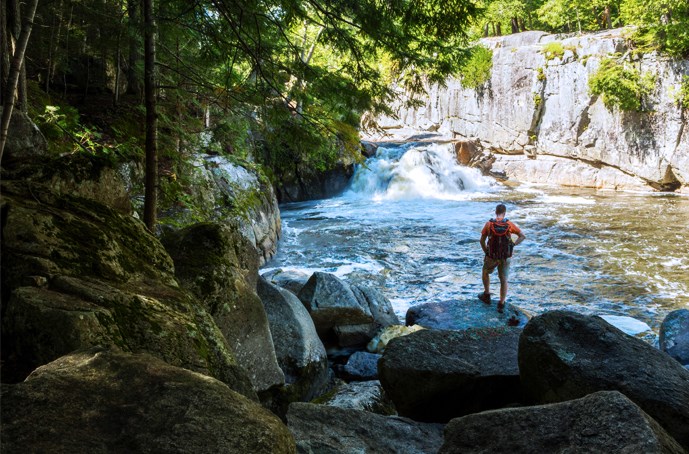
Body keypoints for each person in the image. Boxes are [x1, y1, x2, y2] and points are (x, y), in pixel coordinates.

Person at [479, 203, 525, 313]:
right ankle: (501, 303)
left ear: (495, 212)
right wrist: (513, 244)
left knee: (485, 272)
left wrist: (487, 252)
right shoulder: (509, 224)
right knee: (503, 279)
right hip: (506, 256)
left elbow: (481, 241)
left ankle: (486, 294)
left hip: (492, 256)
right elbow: (523, 236)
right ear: (504, 213)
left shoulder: (489, 224)